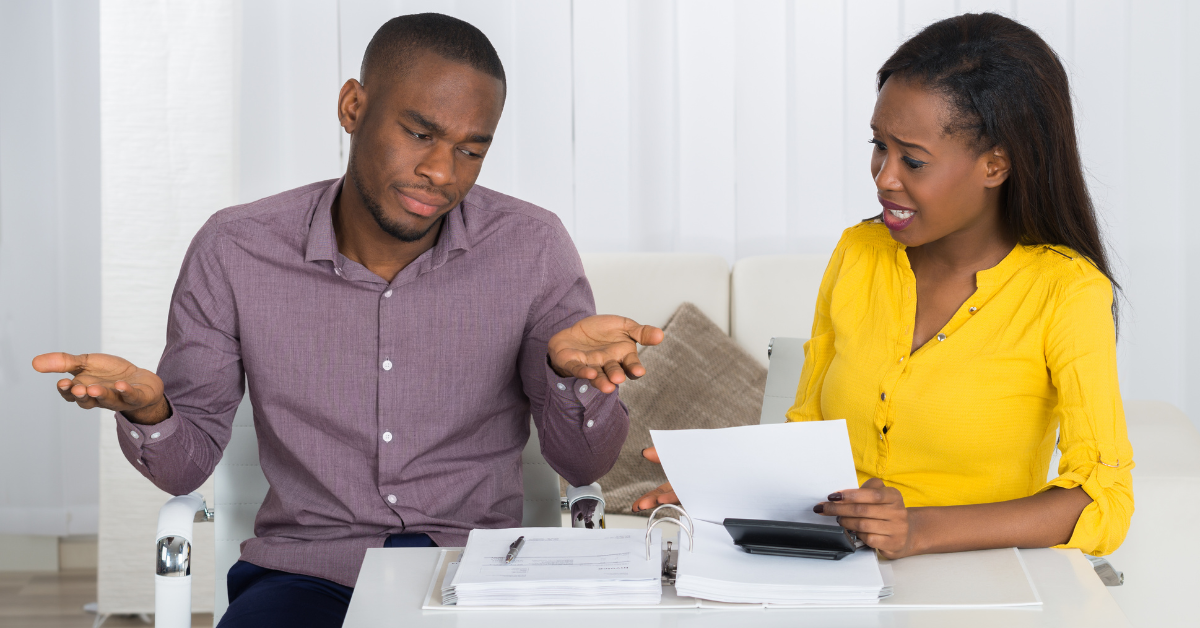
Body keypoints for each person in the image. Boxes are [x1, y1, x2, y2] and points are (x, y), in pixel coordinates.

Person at [32, 13, 662, 628]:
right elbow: (183, 467)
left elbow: (584, 467)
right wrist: (149, 411)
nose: (442, 172)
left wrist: (568, 376)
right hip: (306, 578)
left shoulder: (533, 247)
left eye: (470, 150)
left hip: (483, 577)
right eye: (419, 133)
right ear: (353, 107)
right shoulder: (234, 249)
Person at [635, 12, 1133, 560]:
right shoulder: (859, 254)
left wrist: (919, 530)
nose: (884, 176)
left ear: (995, 165)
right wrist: (729, 487)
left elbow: (1102, 497)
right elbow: (808, 434)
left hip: (982, 583)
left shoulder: (1066, 291)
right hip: (832, 569)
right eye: (880, 146)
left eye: (913, 160)